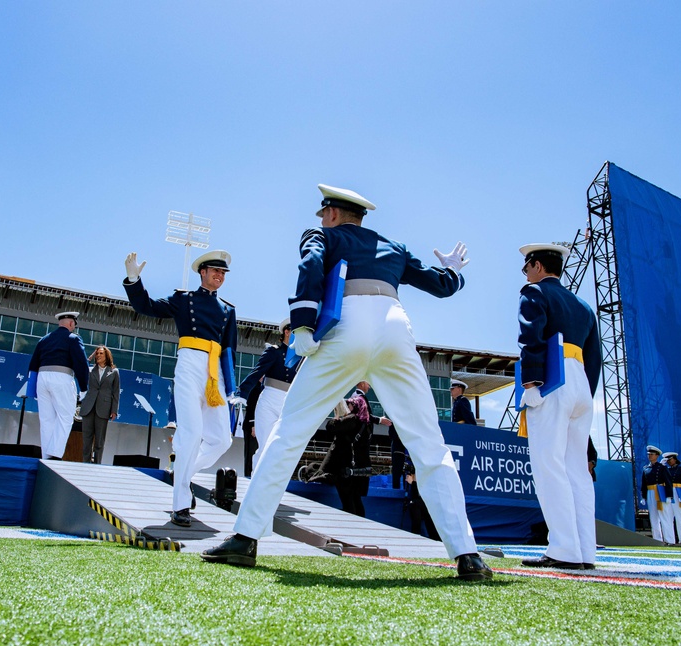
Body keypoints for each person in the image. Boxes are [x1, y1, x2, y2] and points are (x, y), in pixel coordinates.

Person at [202, 183, 492, 580]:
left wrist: (303, 324)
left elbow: (310, 266)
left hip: (346, 325)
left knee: (289, 432)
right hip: (395, 326)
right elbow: (440, 286)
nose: (320, 220)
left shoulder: (322, 234)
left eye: (323, 214)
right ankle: (468, 555)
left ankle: (246, 538)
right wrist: (453, 272)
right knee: (428, 444)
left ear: (333, 214)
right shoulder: (394, 246)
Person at [123, 249, 236, 527]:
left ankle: (183, 476)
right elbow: (146, 307)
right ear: (203, 272)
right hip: (189, 365)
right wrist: (133, 280)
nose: (219, 276)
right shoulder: (183, 299)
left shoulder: (228, 310)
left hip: (214, 373)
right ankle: (181, 504)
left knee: (223, 440)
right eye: (215, 271)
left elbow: (230, 349)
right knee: (191, 434)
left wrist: (231, 387)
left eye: (223, 273)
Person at [515, 242, 601, 570]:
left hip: (551, 379)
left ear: (537, 266)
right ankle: (585, 551)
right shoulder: (583, 306)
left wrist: (532, 383)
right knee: (577, 470)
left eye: (526, 267)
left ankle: (564, 549)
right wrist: (585, 393)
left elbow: (530, 337)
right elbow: (594, 357)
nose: (525, 274)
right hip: (580, 381)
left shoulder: (534, 291)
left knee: (549, 466)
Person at [27, 312, 90, 460]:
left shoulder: (43, 340)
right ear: (70, 323)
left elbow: (33, 365)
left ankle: (46, 456)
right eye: (74, 324)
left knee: (46, 419)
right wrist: (84, 387)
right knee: (66, 417)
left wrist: (32, 387)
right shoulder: (73, 339)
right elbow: (81, 364)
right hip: (61, 377)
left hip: (42, 378)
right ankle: (55, 454)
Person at [235, 318, 297, 466]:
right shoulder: (273, 351)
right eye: (295, 330)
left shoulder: (300, 357)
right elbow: (257, 372)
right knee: (264, 447)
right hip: (270, 400)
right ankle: (256, 484)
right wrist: (242, 392)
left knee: (282, 450)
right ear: (287, 332)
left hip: (288, 403)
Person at [313, 390, 373, 516]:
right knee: (356, 498)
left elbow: (331, 427)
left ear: (356, 406)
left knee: (348, 499)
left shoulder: (352, 419)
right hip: (361, 469)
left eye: (350, 404)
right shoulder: (365, 424)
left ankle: (351, 520)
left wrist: (335, 419)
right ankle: (361, 522)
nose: (349, 407)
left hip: (348, 469)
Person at [81, 346, 121, 464]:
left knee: (99, 441)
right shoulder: (90, 370)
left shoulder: (114, 372)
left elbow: (116, 392)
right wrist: (89, 358)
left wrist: (114, 410)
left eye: (101, 353)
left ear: (107, 356)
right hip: (88, 407)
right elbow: (81, 367)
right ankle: (85, 464)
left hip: (103, 408)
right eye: (97, 353)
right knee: (86, 440)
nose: (98, 355)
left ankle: (97, 464)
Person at [641, 445, 675, 545]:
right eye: (649, 454)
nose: (650, 456)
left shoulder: (662, 467)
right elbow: (644, 484)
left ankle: (670, 540)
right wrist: (643, 496)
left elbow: (668, 482)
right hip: (650, 492)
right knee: (653, 517)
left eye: (652, 454)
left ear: (657, 456)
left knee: (665, 517)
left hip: (660, 492)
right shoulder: (646, 468)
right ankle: (657, 540)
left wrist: (669, 495)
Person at [664, 451, 681, 546]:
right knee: (668, 517)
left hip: (678, 493)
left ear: (675, 459)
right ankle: (670, 540)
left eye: (670, 459)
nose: (668, 461)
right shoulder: (666, 469)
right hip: (668, 492)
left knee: (680, 517)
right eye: (667, 460)